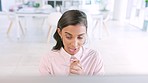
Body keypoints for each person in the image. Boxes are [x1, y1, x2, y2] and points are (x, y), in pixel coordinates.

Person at [39, 10, 104, 76]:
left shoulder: (94, 58)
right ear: (60, 32)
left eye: (80, 37)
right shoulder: (48, 60)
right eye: (68, 37)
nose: (74, 44)